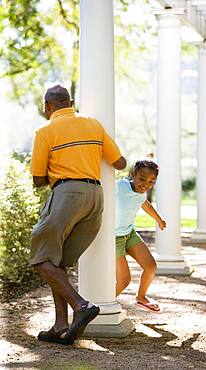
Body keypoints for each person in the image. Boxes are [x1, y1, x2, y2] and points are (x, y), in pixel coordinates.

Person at [30, 84, 126, 345]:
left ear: (47, 107)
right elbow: (120, 163)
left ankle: (81, 305)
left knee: (40, 255)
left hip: (67, 194)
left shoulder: (46, 130)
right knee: (56, 262)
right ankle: (60, 325)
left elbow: (38, 179)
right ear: (70, 102)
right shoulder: (92, 124)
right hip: (95, 197)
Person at [115, 159, 166, 312]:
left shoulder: (141, 194)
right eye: (142, 179)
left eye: (151, 181)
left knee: (150, 267)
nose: (146, 184)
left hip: (129, 234)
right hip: (113, 239)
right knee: (124, 280)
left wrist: (159, 220)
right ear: (133, 175)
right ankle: (100, 305)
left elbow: (145, 205)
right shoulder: (119, 186)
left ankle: (141, 297)